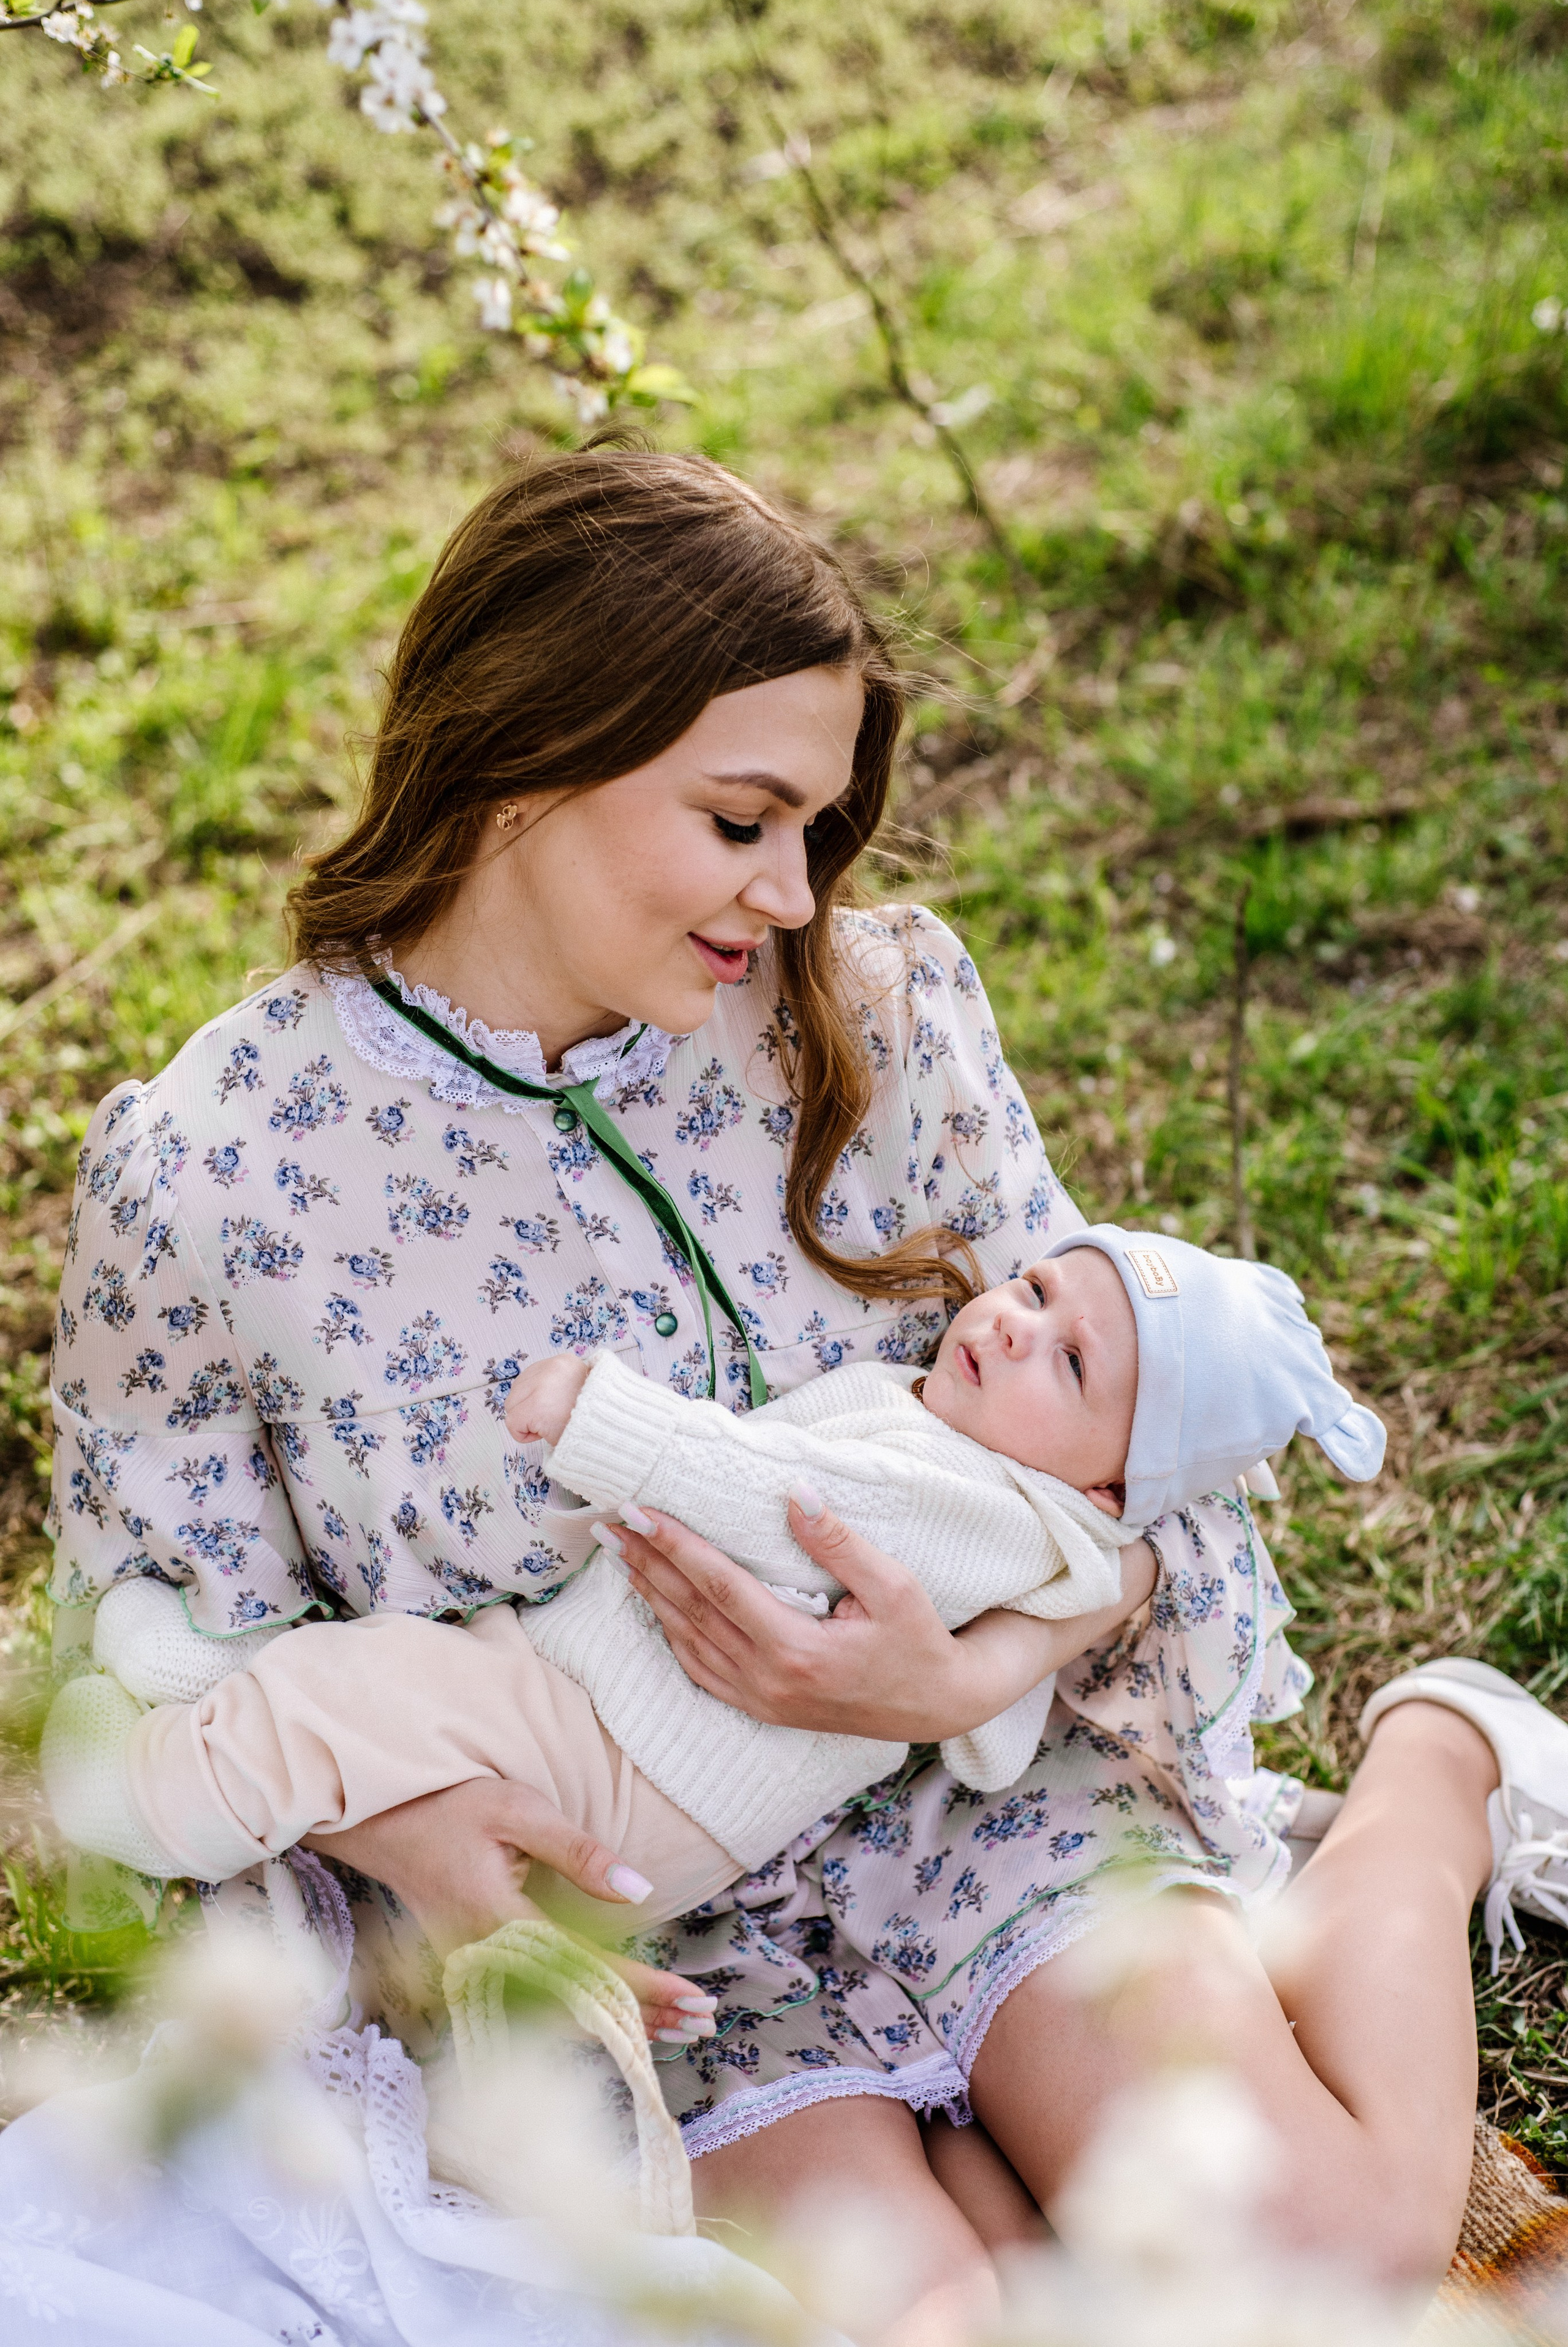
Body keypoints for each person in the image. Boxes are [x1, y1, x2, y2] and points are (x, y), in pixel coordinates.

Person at [39, 444, 1568, 2331]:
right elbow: (150, 1662)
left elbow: (1155, 1471)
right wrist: (407, 1839)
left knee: (1325, 2247)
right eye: (741, 819)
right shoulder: (211, 1179)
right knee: (923, 2312)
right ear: (529, 756)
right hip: (643, 1902)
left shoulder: (888, 1008)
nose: (789, 890)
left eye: (815, 829)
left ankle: (1442, 1758)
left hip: (979, 1800)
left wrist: (975, 1673)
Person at [53, 1226, 1387, 1929]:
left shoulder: (991, 1510)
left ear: (1105, 1487)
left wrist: (607, 1419)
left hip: (630, 1759)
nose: (1011, 1326)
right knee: (391, 1697)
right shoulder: (965, 1438)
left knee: (362, 1705)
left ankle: (136, 1792)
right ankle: (221, 1686)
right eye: (1035, 1288)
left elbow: (793, 1506)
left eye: (1072, 1363)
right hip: (605, 1717)